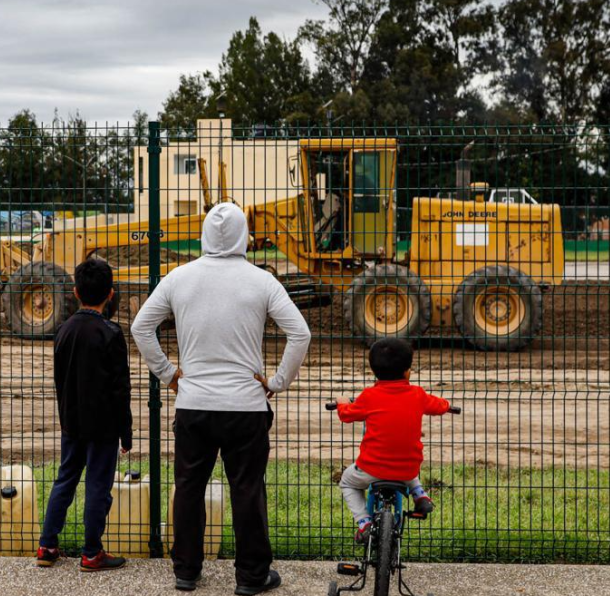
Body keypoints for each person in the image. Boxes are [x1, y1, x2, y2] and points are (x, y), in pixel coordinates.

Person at [131, 202, 311, 595]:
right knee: (247, 489)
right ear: (246, 235)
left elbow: (140, 327)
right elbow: (301, 334)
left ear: (204, 237)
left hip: (193, 403)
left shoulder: (179, 278)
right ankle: (251, 577)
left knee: (189, 487)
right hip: (245, 407)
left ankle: (186, 572)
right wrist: (277, 381)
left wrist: (169, 374)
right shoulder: (261, 280)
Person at [37, 258, 133, 572]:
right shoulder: (110, 333)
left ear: (76, 292)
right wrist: (126, 432)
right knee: (97, 487)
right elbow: (120, 389)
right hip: (103, 427)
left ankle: (47, 545)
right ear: (111, 294)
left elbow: (60, 379)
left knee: (65, 479)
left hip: (72, 423)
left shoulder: (63, 331)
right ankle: (92, 553)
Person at [335, 337, 451, 544]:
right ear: (408, 371)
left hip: (371, 469)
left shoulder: (369, 396)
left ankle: (364, 522)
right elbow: (440, 406)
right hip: (407, 467)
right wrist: (447, 404)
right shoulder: (418, 394)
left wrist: (342, 403)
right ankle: (420, 495)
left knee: (347, 482)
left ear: (374, 371)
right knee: (406, 463)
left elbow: (347, 415)